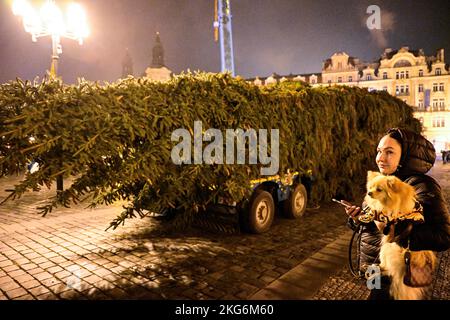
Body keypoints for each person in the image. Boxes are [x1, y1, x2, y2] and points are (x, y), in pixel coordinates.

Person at [344, 127, 450, 300]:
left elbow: (443, 236)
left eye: (389, 152)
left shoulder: (421, 185)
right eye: (379, 151)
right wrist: (357, 219)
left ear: (405, 156)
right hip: (374, 267)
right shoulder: (379, 181)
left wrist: (398, 232)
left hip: (401, 272)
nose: (380, 158)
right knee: (372, 292)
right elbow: (372, 221)